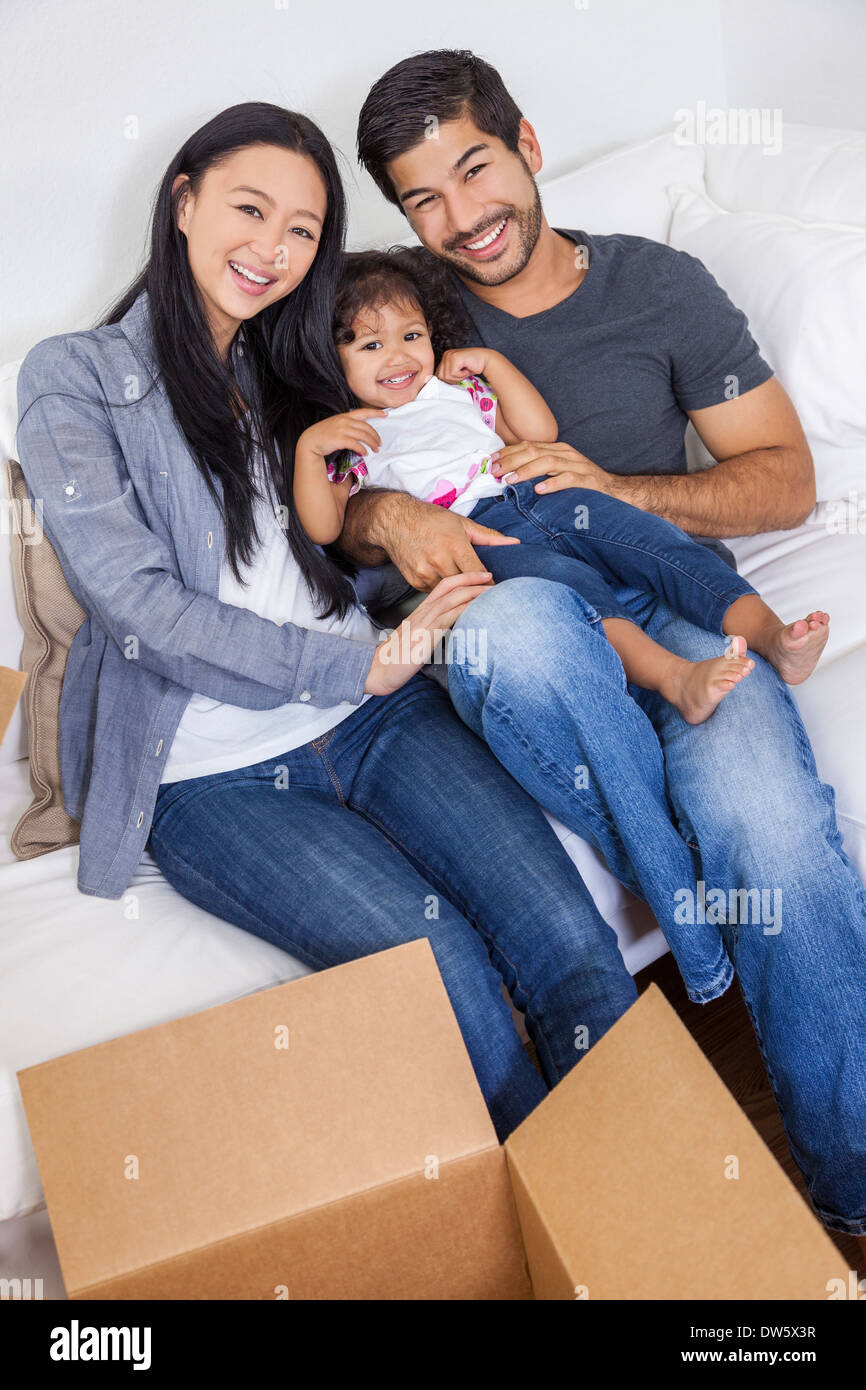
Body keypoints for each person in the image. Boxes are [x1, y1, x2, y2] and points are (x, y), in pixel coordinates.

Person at [14, 101, 653, 1145]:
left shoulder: (294, 359)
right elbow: (136, 607)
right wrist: (352, 668)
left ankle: (655, 1237)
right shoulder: (72, 379)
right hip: (210, 776)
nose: (272, 248)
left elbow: (372, 481)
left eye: (302, 229)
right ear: (182, 202)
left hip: (379, 713)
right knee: (453, 993)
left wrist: (411, 486)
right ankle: (578, 1245)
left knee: (568, 949)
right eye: (248, 209)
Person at [333, 50, 866, 1237]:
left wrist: (611, 487)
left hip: (664, 604)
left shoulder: (656, 285)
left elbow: (782, 481)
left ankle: (855, 1197)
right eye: (423, 197)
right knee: (516, 627)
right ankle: (665, 882)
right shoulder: (391, 313)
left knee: (772, 833)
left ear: (526, 142)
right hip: (510, 615)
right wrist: (388, 512)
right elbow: (326, 475)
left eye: (475, 170)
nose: (462, 219)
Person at [294, 247, 831, 727]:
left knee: (656, 541)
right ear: (330, 359)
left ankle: (769, 634)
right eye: (369, 345)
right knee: (571, 588)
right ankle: (673, 678)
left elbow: (537, 432)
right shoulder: (353, 436)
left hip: (548, 495)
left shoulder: (456, 391)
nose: (398, 356)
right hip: (486, 536)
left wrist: (495, 366)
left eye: (411, 336)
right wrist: (309, 450)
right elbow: (325, 525)